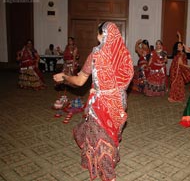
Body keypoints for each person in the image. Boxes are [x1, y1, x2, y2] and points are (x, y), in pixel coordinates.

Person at [53, 22, 134, 181]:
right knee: (110, 133)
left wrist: (64, 76)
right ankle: (106, 159)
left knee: (100, 135)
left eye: (98, 33)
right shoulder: (125, 55)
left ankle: (108, 174)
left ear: (101, 35)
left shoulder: (96, 55)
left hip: (101, 102)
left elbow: (79, 81)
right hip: (119, 101)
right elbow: (126, 81)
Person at [168, 31, 190, 102]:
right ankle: (174, 98)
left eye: (181, 45)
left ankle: (179, 98)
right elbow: (182, 65)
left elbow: (180, 43)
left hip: (179, 71)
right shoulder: (180, 55)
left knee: (180, 84)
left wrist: (179, 37)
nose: (180, 46)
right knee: (177, 84)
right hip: (176, 72)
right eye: (179, 46)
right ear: (177, 48)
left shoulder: (182, 53)